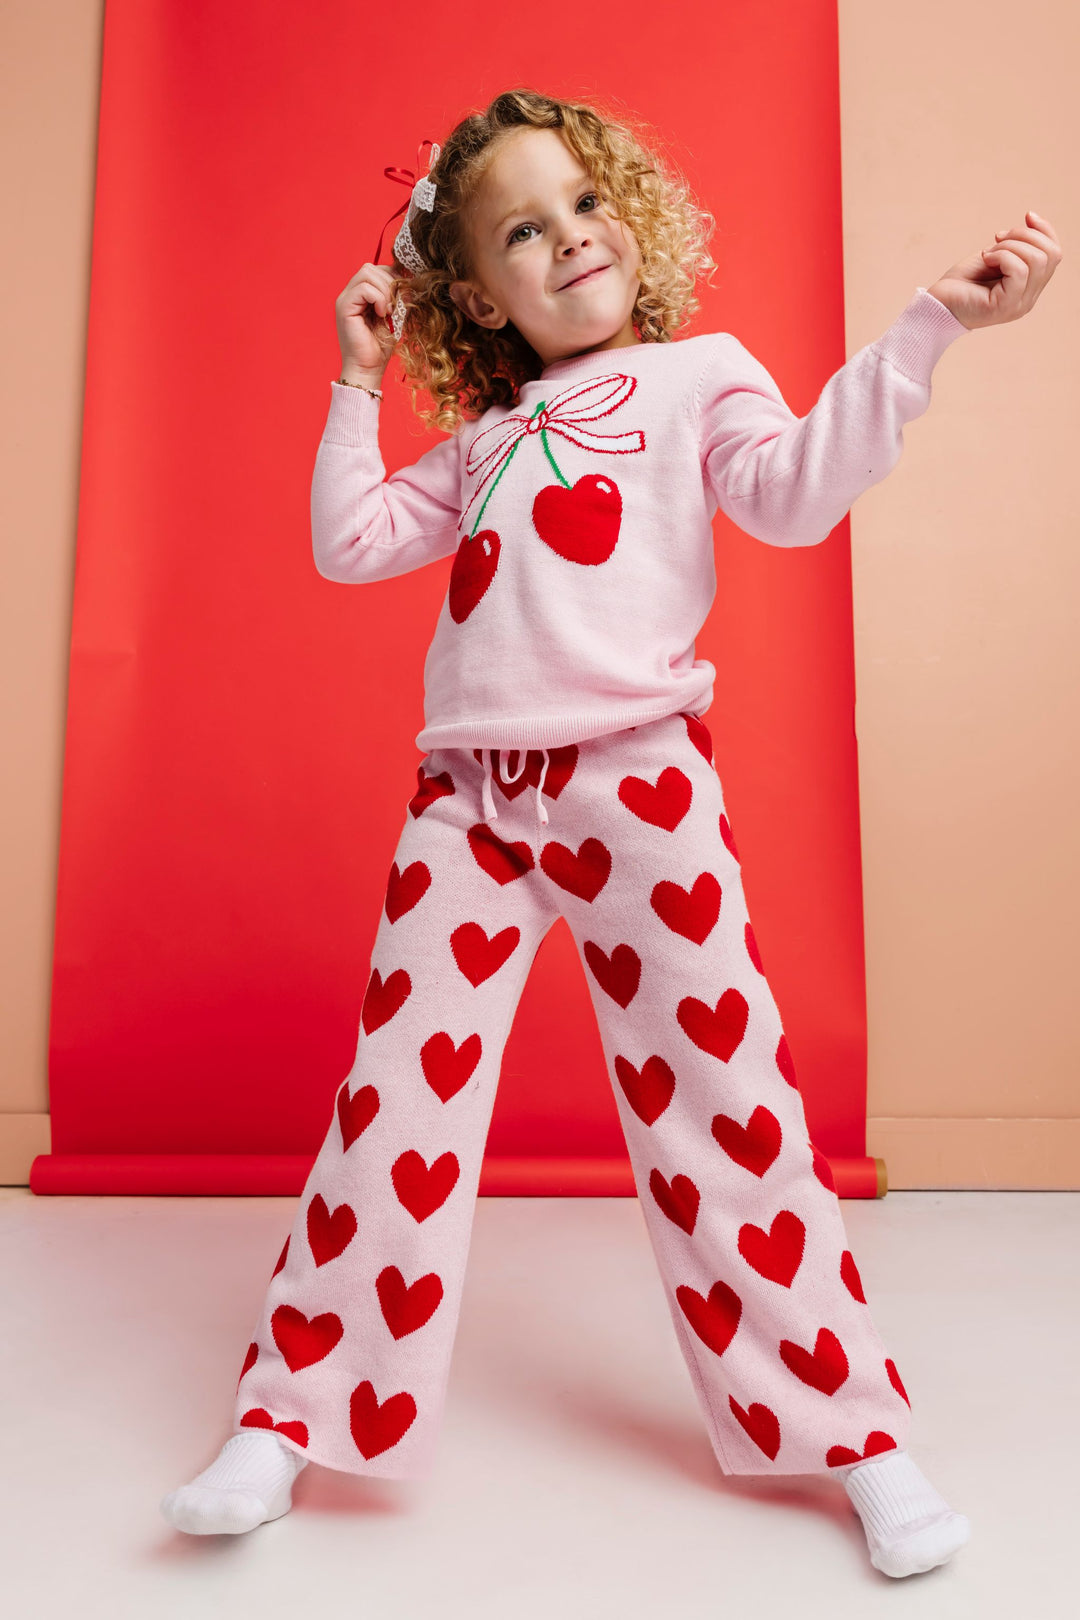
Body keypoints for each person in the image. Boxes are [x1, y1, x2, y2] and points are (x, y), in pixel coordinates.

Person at [161, 87, 1060, 1575]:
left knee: (732, 1112)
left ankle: (859, 1439)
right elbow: (347, 543)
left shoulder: (701, 375)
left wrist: (932, 329)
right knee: (395, 1110)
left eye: (584, 205)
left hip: (637, 785)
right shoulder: (483, 441)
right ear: (476, 291)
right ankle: (290, 1415)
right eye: (524, 228)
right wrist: (351, 382)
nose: (571, 239)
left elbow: (792, 494)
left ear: (629, 216)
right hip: (468, 801)